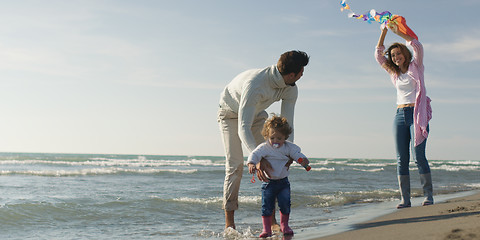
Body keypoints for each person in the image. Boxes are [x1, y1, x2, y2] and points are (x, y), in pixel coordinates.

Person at [217, 50, 310, 229]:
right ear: (292, 74)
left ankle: (272, 221)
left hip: (257, 114)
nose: (302, 76)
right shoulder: (256, 85)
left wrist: (289, 152)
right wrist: (257, 159)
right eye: (301, 73)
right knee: (235, 165)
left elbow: (287, 125)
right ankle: (230, 224)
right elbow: (243, 127)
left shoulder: (291, 88)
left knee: (274, 160)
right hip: (229, 114)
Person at [375, 23, 433, 209]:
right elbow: (378, 55)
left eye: (398, 53)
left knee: (419, 157)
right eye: (393, 56)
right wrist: (383, 33)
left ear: (405, 54)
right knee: (401, 158)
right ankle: (405, 199)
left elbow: (417, 45)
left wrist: (398, 32)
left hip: (417, 115)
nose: (396, 57)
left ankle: (428, 196)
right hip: (400, 115)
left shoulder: (417, 66)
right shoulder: (394, 73)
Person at [247, 115, 310, 237]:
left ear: (285, 137)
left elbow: (297, 154)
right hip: (268, 183)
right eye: (272, 137)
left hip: (283, 183)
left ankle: (284, 226)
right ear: (267, 135)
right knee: (267, 206)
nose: (275, 141)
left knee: (285, 203)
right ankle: (266, 229)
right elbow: (255, 154)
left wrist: (303, 161)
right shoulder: (264, 147)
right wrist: (251, 163)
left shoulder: (288, 147)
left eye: (279, 138)